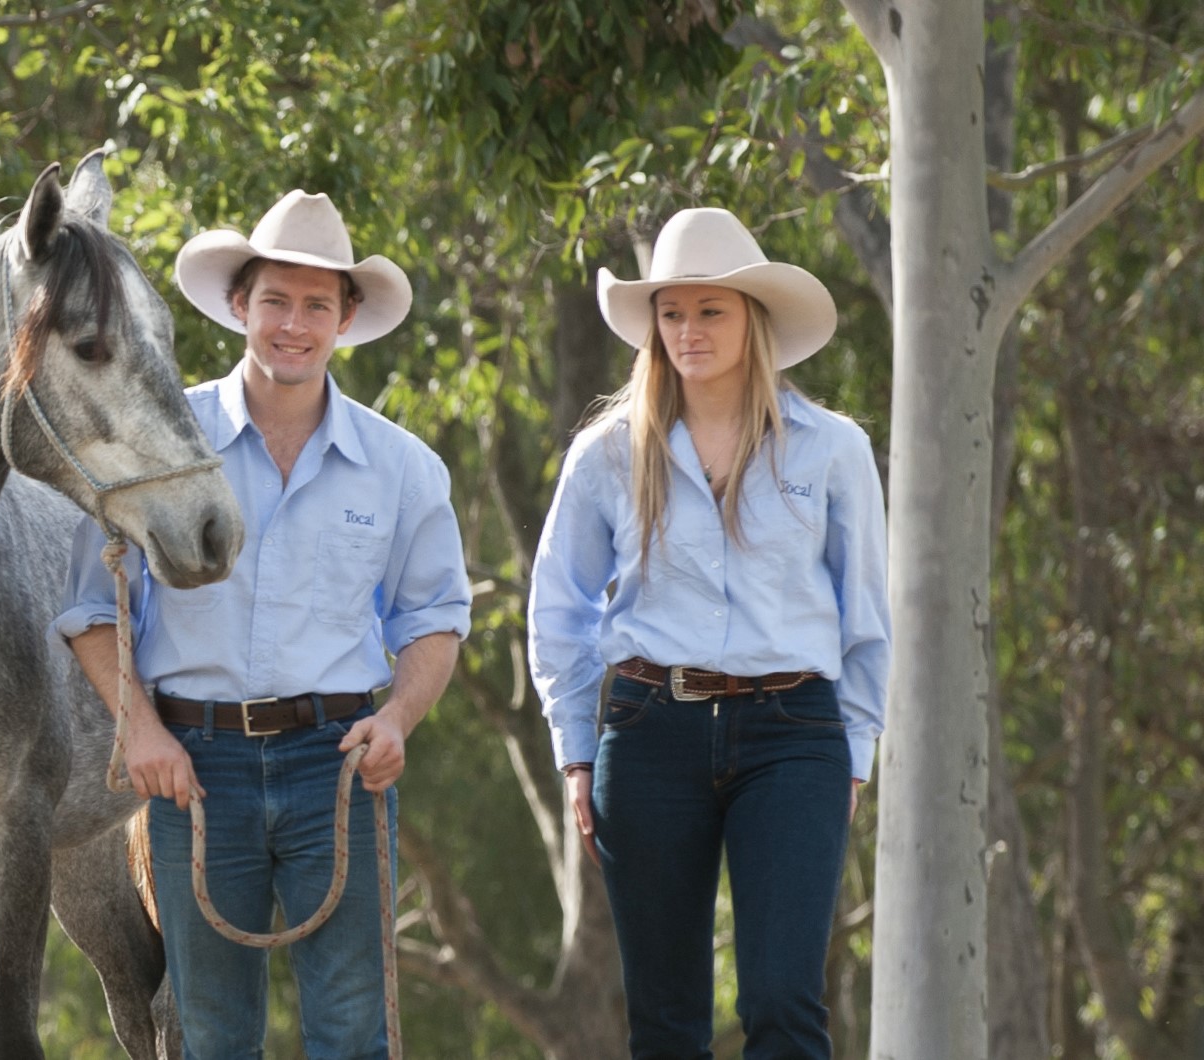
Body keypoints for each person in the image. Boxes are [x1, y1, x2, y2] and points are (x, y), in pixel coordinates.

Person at [52, 189, 471, 1059]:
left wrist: (397, 720)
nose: (294, 323)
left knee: (354, 1030)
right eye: (275, 299)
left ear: (346, 318)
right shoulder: (165, 444)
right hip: (193, 770)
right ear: (239, 305)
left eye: (317, 304)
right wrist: (139, 732)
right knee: (210, 1037)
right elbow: (93, 609)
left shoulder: (401, 469)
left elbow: (434, 620)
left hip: (339, 765)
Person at [527, 207, 890, 1059]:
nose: (688, 330)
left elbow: (866, 614)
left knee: (783, 1000)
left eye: (711, 310)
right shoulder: (608, 453)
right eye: (672, 312)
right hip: (650, 732)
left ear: (753, 319)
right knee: (665, 1017)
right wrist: (578, 749)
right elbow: (559, 606)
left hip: (795, 735)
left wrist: (857, 752)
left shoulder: (833, 451)